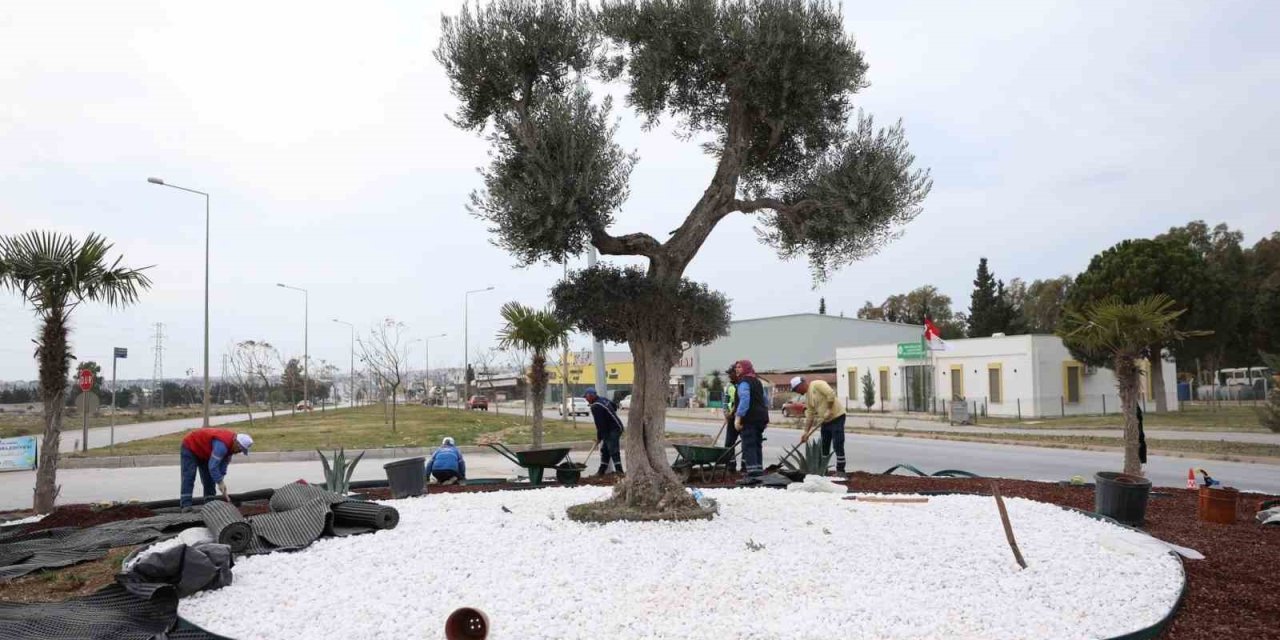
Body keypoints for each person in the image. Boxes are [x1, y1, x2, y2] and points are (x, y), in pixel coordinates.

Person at [179, 429, 253, 510]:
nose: (239, 452)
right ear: (236, 442)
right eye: (240, 449)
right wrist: (220, 482)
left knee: (209, 480)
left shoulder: (230, 448)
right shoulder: (222, 445)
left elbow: (223, 467)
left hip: (205, 452)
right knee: (189, 476)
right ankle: (186, 506)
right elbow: (213, 467)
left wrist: (221, 480)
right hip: (191, 446)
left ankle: (210, 505)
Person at [792, 376, 848, 474]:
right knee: (824, 446)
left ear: (801, 384)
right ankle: (823, 470)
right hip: (825, 421)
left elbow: (830, 394)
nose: (796, 392)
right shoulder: (808, 398)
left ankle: (841, 471)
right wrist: (806, 432)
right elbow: (810, 415)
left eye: (796, 389)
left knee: (837, 444)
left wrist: (829, 409)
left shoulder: (817, 384)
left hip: (837, 417)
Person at [733, 360, 769, 485]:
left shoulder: (744, 382)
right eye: (736, 367)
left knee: (749, 444)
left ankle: (752, 475)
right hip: (761, 418)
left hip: (750, 419)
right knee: (757, 444)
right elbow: (765, 400)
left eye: (739, 367)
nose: (737, 369)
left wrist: (738, 417)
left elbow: (744, 399)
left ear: (746, 368)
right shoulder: (758, 382)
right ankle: (758, 472)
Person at [585, 387, 624, 475]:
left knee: (613, 449)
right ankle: (601, 471)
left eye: (586, 397)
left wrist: (599, 437)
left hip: (614, 428)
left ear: (591, 396)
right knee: (605, 450)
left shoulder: (596, 406)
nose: (585, 399)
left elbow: (600, 424)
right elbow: (614, 406)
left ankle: (620, 471)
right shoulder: (602, 399)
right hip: (615, 426)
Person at [722, 365, 741, 472]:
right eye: (728, 374)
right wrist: (725, 412)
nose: (729, 376)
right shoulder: (729, 386)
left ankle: (745, 466)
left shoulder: (743, 385)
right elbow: (725, 400)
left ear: (736, 373)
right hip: (731, 417)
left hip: (742, 418)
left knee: (745, 443)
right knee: (729, 443)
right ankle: (731, 465)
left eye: (731, 373)